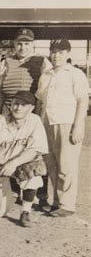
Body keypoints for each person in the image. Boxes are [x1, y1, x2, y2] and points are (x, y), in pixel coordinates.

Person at [36, 39, 89, 217]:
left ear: (68, 54)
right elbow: (39, 101)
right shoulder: (46, 75)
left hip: (67, 123)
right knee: (52, 164)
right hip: (47, 122)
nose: (56, 55)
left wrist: (78, 126)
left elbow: (83, 100)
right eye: (54, 51)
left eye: (61, 52)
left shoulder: (75, 74)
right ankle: (57, 202)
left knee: (67, 164)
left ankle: (67, 204)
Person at [0, 91, 48, 227]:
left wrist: (14, 163)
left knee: (34, 171)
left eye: (24, 105)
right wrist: (7, 164)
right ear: (10, 105)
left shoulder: (35, 121)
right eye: (16, 103)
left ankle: (25, 211)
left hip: (19, 163)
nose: (18, 108)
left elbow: (35, 150)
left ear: (31, 108)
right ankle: (3, 192)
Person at [0, 28, 51, 113]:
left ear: (32, 44)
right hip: (8, 107)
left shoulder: (42, 61)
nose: (23, 48)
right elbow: (0, 91)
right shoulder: (6, 62)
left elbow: (46, 91)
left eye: (26, 44)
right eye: (19, 44)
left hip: (30, 109)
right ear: (14, 43)